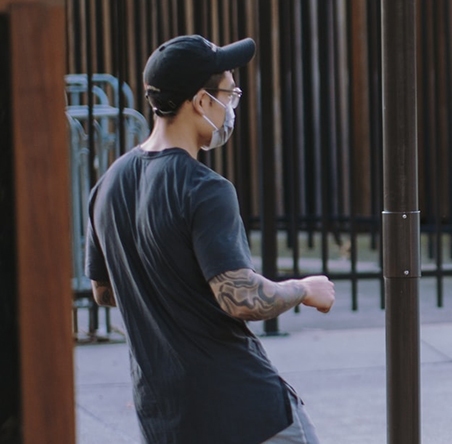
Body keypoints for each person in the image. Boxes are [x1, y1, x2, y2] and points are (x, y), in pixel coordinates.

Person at [85, 35, 335, 444]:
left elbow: (104, 290)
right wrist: (304, 289)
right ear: (201, 102)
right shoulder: (205, 188)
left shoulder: (107, 185)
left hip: (166, 418)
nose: (232, 107)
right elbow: (241, 298)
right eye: (229, 94)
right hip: (245, 411)